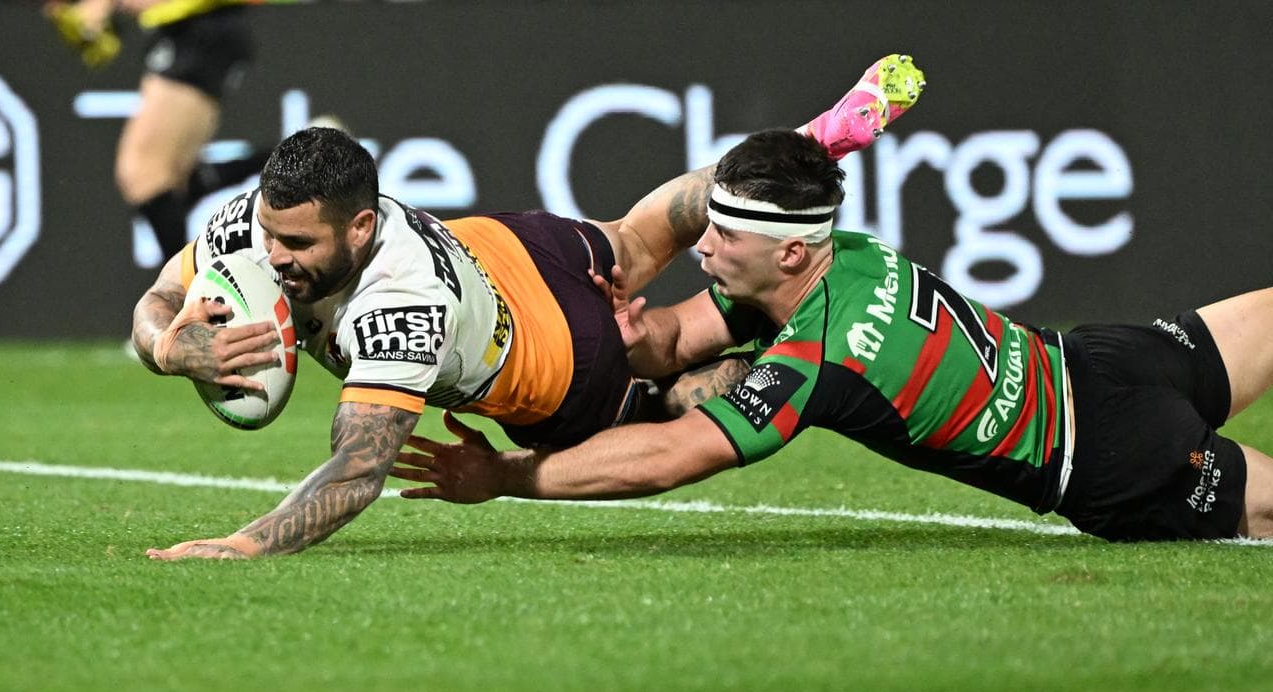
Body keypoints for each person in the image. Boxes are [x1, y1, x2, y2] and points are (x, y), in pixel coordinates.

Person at [132, 55, 928, 560]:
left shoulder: (399, 311)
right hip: (519, 248)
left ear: (363, 226)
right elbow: (162, 294)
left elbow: (356, 469)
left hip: (562, 364)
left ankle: (774, 340)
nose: (274, 258)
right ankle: (815, 142)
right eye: (271, 237)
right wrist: (166, 346)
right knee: (640, 233)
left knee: (675, 395)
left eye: (299, 247)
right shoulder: (259, 221)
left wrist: (246, 544)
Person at [390, 126, 1273, 543]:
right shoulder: (835, 253)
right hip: (1094, 358)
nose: (701, 246)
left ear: (787, 251)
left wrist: (505, 477)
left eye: (723, 237)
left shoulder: (821, 359)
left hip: (1113, 455)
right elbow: (670, 342)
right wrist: (626, 332)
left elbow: (671, 457)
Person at [46, 0, 277, 263]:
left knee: (144, 175)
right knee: (173, 180)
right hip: (195, 32)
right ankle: (290, 153)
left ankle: (187, 292)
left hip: (199, 31)